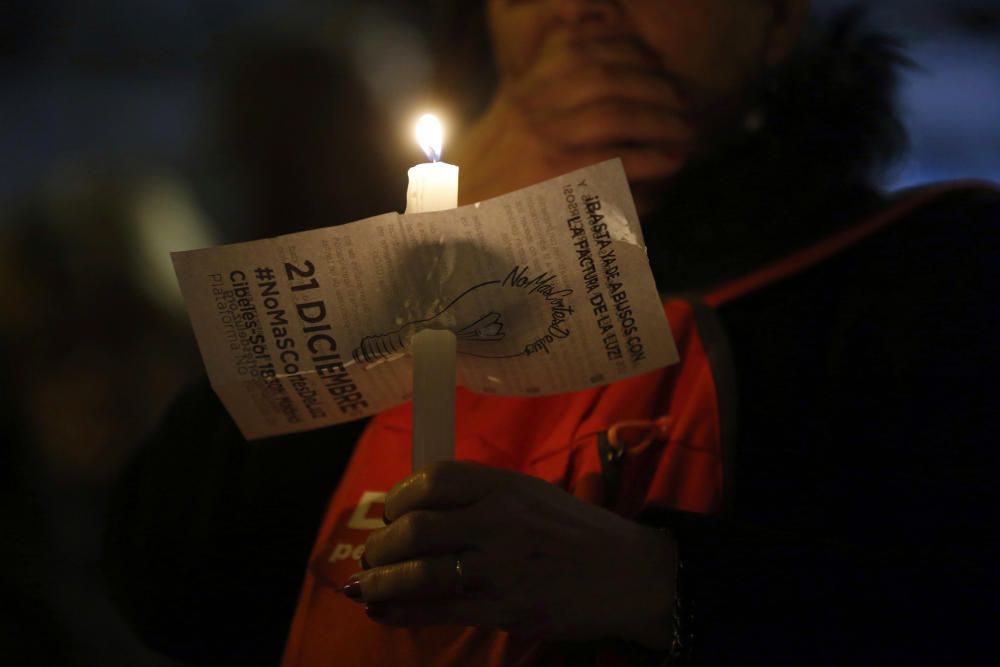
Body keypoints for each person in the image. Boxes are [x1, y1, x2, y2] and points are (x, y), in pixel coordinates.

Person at [103, 1, 999, 665]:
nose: (580, 12)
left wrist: (656, 583)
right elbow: (168, 573)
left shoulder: (924, 275)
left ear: (776, 20)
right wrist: (433, 238)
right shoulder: (439, 220)